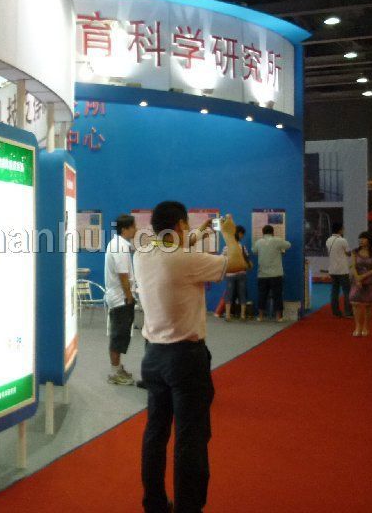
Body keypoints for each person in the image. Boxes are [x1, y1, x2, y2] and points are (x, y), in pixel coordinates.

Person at [134, 202, 246, 513]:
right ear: (180, 225)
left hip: (153, 357)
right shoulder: (184, 260)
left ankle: (154, 503)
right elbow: (237, 263)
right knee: (190, 439)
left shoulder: (143, 253)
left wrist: (197, 233)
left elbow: (174, 245)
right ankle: (189, 507)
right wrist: (228, 234)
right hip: (185, 358)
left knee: (155, 433)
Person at [104, 214, 138, 386]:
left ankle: (117, 368)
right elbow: (123, 275)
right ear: (125, 229)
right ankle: (115, 373)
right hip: (120, 299)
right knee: (118, 336)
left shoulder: (119, 244)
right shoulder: (120, 247)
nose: (136, 229)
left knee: (121, 335)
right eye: (133, 226)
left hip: (119, 297)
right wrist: (129, 296)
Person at [252, 225, 291, 322]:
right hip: (276, 274)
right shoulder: (277, 240)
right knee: (277, 296)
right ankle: (278, 317)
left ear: (263, 233)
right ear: (273, 232)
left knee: (262, 295)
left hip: (262, 274)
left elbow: (254, 251)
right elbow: (288, 245)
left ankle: (260, 316)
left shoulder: (259, 242)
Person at [221, 225, 253, 321]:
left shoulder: (226, 247)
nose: (242, 236)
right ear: (239, 234)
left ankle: (228, 315)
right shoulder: (242, 247)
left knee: (229, 294)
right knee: (242, 294)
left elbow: (222, 259)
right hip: (242, 273)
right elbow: (247, 258)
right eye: (242, 234)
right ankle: (242, 315)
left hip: (230, 274)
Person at [350, 231, 372, 337]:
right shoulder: (355, 251)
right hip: (357, 281)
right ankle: (357, 326)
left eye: (363, 239)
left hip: (370, 281)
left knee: (368, 304)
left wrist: (363, 277)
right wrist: (357, 278)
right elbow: (353, 266)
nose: (361, 241)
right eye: (360, 239)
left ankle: (365, 326)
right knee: (355, 303)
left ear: (369, 240)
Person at [326, 223, 352, 318]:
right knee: (347, 292)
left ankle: (336, 312)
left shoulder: (328, 240)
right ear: (340, 230)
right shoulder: (342, 240)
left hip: (332, 270)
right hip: (342, 270)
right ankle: (348, 312)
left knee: (334, 291)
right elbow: (348, 253)